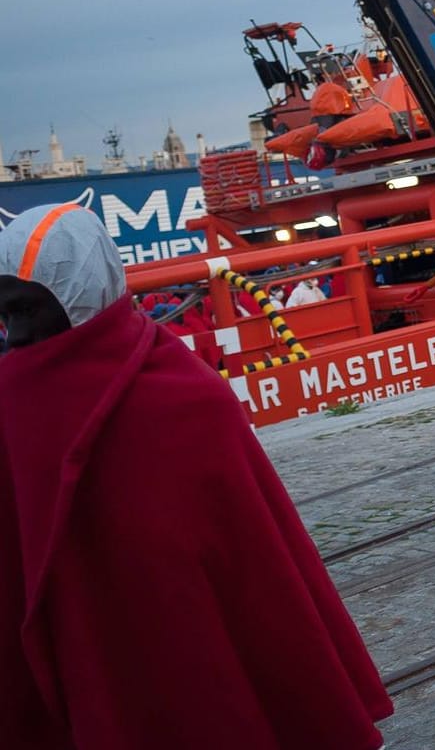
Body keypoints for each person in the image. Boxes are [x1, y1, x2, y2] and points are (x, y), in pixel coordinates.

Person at [0, 204, 393, 747]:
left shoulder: (186, 398)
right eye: (5, 317)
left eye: (26, 311)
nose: (15, 337)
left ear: (78, 297)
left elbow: (259, 576)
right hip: (82, 657)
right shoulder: (11, 406)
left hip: (188, 651)